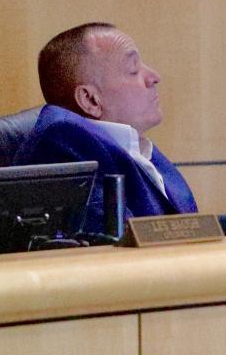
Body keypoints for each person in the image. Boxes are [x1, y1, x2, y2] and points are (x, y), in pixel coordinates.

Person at [15, 22, 197, 233]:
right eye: (133, 70)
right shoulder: (66, 141)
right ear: (90, 100)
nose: (154, 77)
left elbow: (186, 224)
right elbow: (115, 239)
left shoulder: (134, 145)